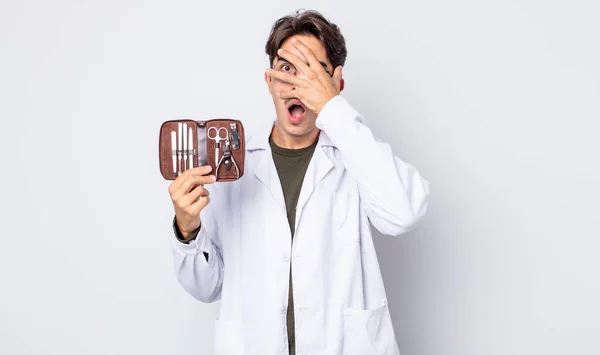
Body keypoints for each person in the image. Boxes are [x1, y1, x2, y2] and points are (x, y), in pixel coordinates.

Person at [167, 9, 430, 355]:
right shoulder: (233, 163)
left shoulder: (355, 153)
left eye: (313, 71)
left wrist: (333, 109)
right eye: (287, 69)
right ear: (269, 80)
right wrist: (187, 230)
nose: (297, 83)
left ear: (337, 83)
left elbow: (404, 211)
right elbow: (207, 287)